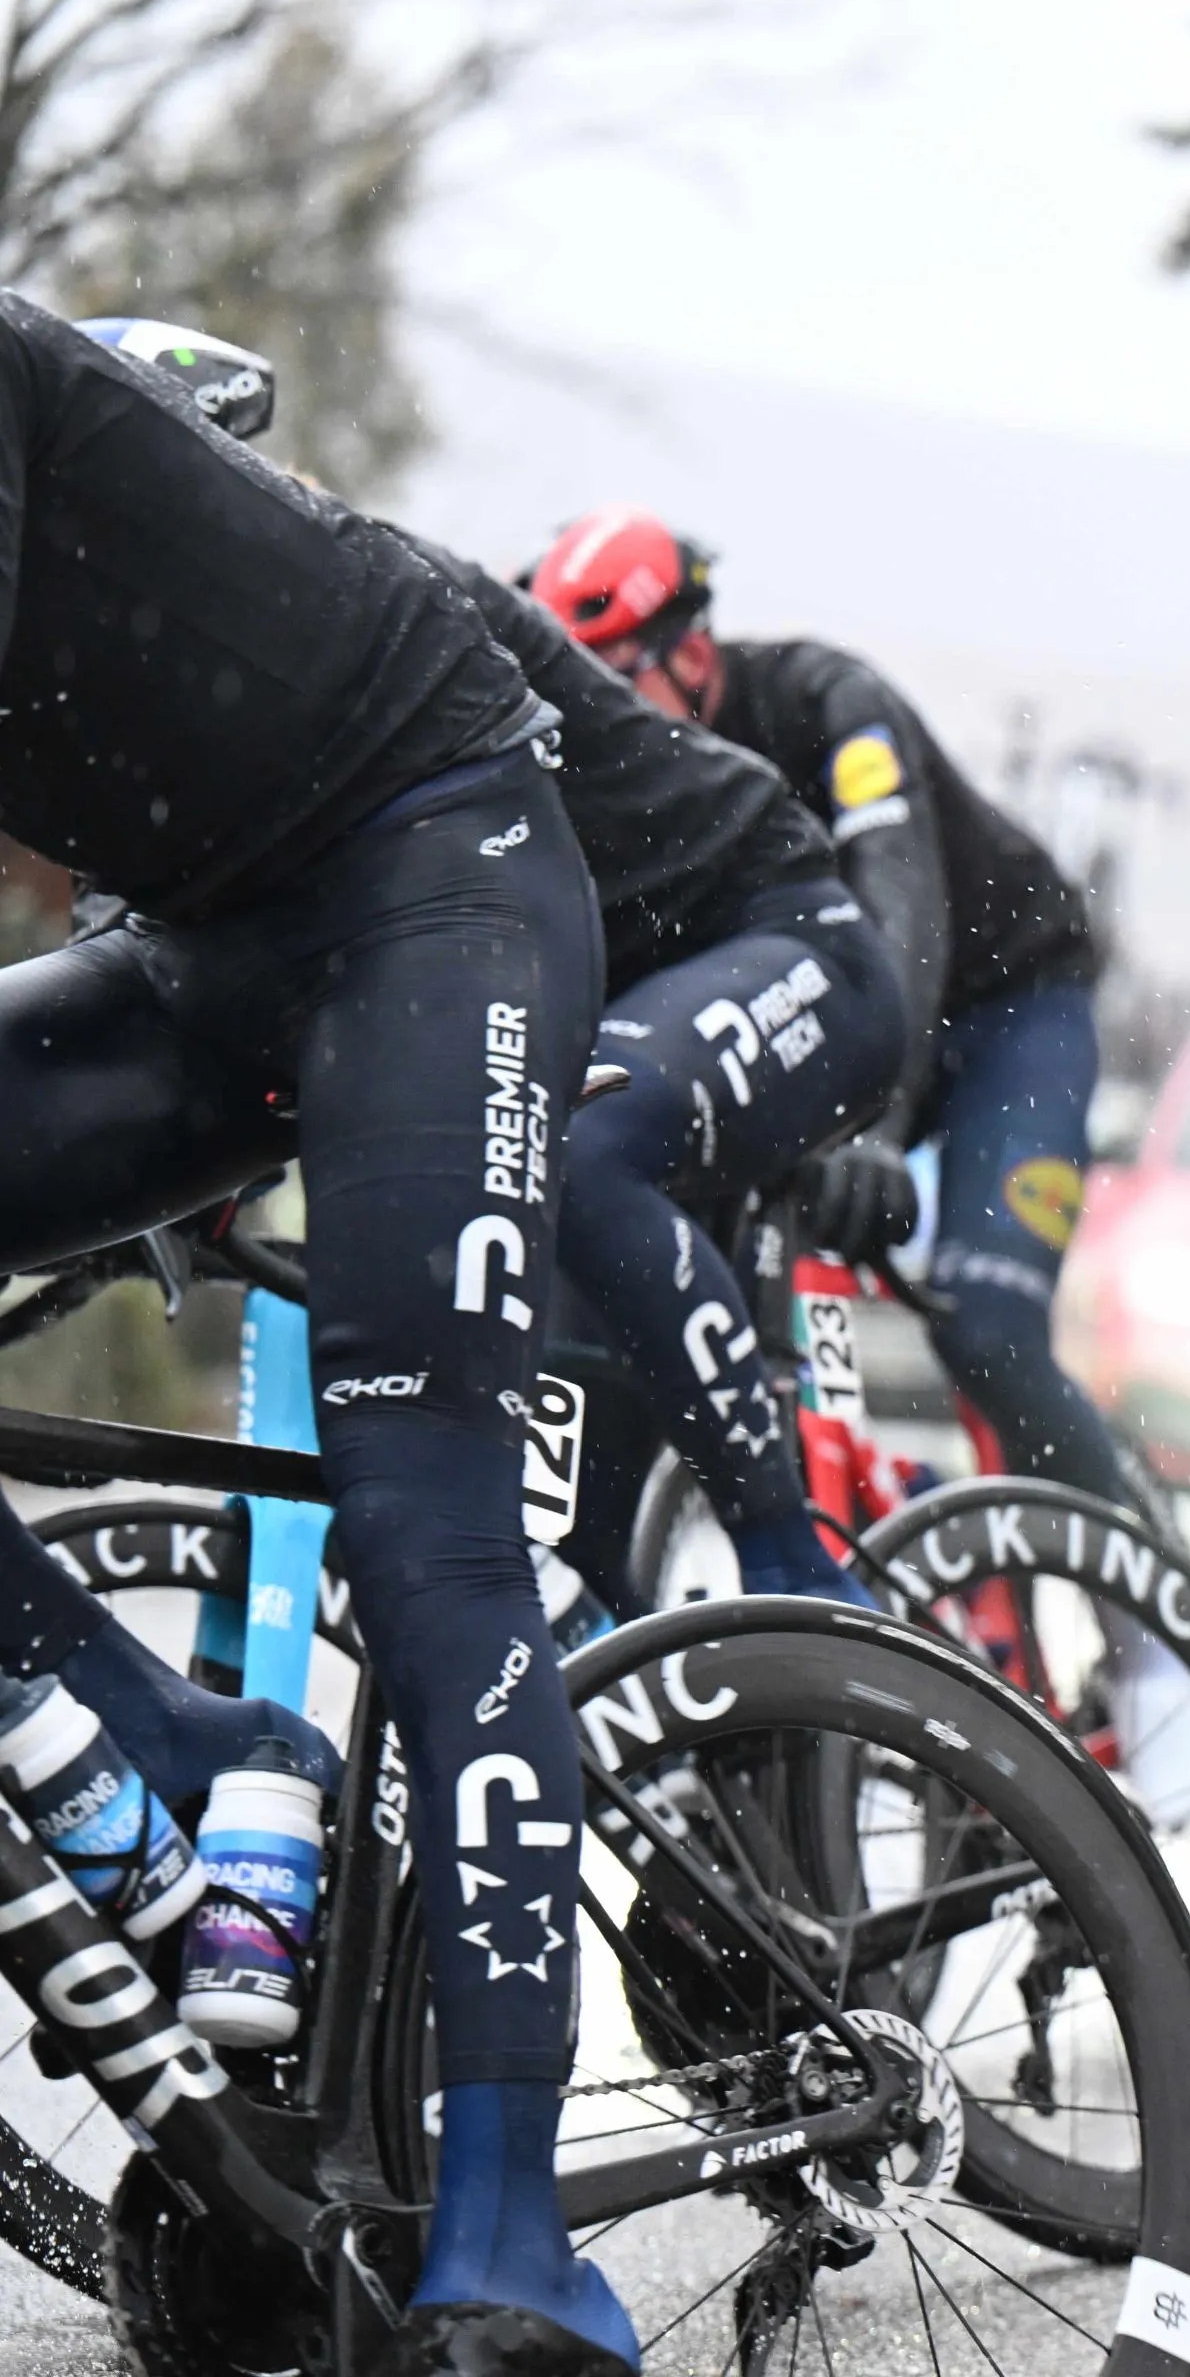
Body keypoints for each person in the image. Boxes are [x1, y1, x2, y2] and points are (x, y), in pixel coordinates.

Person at [0, 303, 625, 2373]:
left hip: (432, 867)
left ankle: (511, 2229)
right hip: (202, 931)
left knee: (427, 1530)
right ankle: (190, 1753)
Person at [86, 327, 910, 1623]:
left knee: (585, 1152)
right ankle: (642, 1692)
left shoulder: (378, 593)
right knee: (551, 1534)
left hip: (777, 942)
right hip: (569, 1013)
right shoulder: (160, 688)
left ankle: (800, 1578)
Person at [522, 512, 1149, 1528]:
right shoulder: (623, 784)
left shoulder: (828, 702)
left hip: (1001, 1014)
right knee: (623, 1296)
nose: (587, 718)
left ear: (689, 653)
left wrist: (870, 1126)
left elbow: (902, 906)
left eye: (608, 682)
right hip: (828, 1029)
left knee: (986, 1328)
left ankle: (1152, 1650)